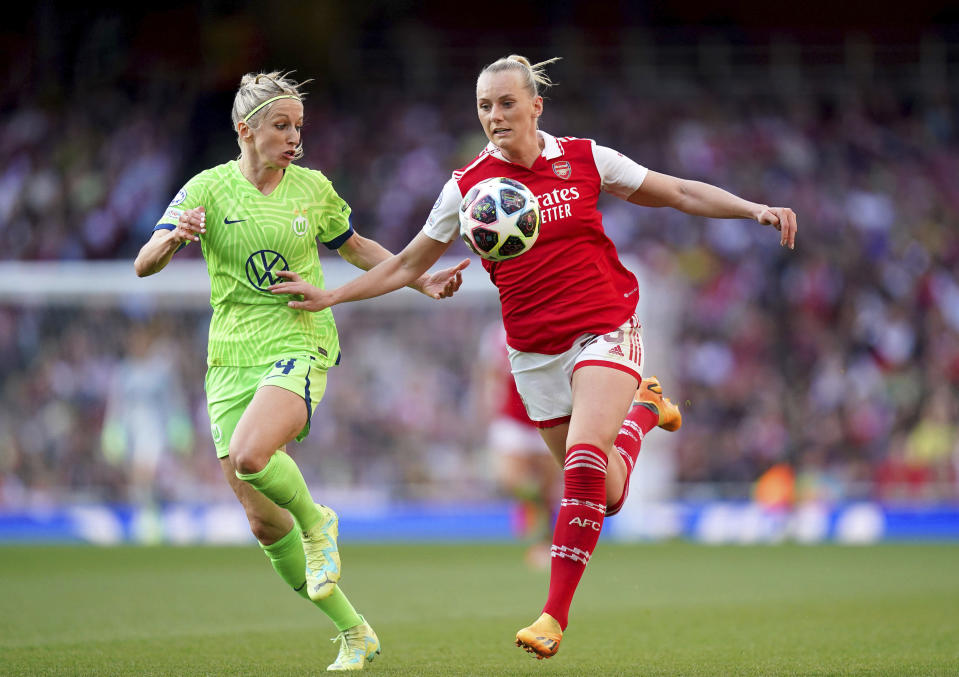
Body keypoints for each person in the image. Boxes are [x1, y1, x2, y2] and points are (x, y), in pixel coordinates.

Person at [267, 55, 798, 659]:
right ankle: (646, 411)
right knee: (609, 492)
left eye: (506, 103)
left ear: (535, 106)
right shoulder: (465, 189)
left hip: (606, 326)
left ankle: (553, 615)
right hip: (533, 353)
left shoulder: (585, 158)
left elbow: (675, 190)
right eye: (485, 107)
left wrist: (752, 207)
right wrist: (333, 293)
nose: (495, 116)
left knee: (580, 462)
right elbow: (408, 264)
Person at [133, 71, 466, 671]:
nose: (293, 138)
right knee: (262, 522)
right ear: (246, 130)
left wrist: (420, 278)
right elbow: (143, 265)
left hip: (299, 336)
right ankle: (355, 632)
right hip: (228, 358)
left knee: (252, 454)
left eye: (298, 128)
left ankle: (319, 524)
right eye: (281, 126)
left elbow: (357, 246)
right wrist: (173, 239)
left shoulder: (312, 189)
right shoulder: (205, 191)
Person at [476, 321, 559, 570]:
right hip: (512, 418)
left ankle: (546, 542)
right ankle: (531, 508)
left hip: (547, 416)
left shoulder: (553, 328)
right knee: (509, 479)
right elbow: (490, 374)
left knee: (549, 487)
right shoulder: (497, 334)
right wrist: (488, 405)